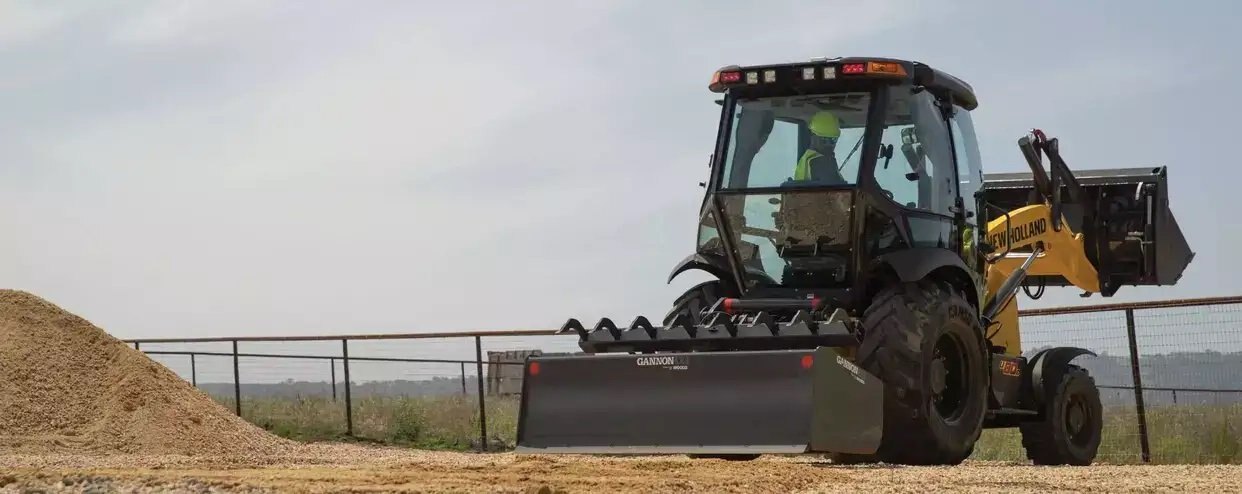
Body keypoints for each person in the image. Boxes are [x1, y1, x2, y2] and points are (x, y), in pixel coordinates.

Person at [791, 110, 846, 185]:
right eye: (824, 140)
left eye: (833, 140)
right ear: (812, 136)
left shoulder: (805, 159)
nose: (829, 145)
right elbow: (838, 194)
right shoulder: (821, 162)